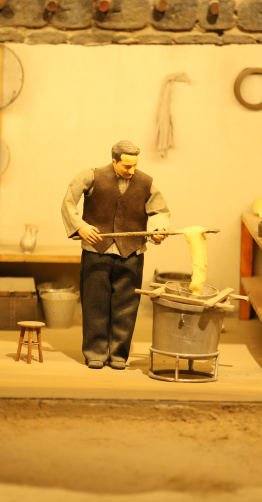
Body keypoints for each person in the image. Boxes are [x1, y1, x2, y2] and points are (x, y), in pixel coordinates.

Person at [61, 140, 170, 370]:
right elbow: (69, 202)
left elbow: (159, 211)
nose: (132, 170)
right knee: (95, 304)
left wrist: (159, 229)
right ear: (114, 161)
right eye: (126, 166)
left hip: (132, 252)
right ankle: (95, 352)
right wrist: (80, 226)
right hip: (96, 251)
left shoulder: (145, 182)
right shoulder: (91, 176)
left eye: (135, 165)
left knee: (127, 306)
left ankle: (119, 353)